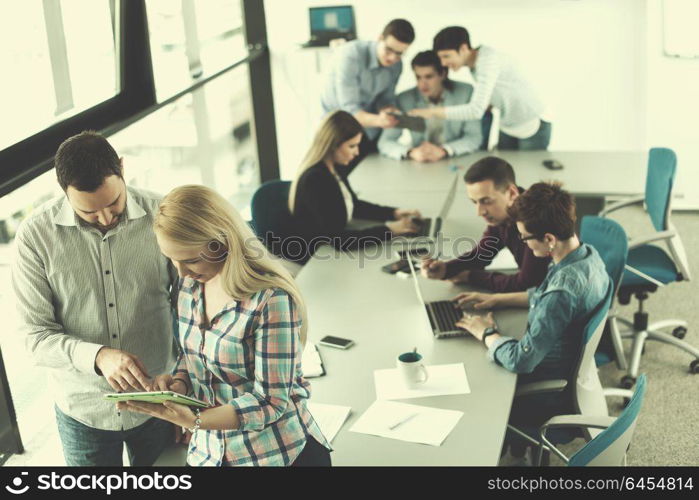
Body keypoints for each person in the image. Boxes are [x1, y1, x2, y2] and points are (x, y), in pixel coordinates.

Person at [117, 185, 332, 467]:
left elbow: (270, 402)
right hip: (209, 454)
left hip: (274, 454)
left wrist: (196, 419)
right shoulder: (189, 285)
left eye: (191, 260)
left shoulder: (270, 300)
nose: (180, 272)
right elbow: (192, 354)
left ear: (222, 242)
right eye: (172, 259)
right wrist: (178, 383)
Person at [11, 131, 178, 466]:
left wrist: (192, 389)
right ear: (63, 191)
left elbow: (192, 305)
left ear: (122, 168)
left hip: (162, 398)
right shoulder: (34, 237)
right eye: (89, 212)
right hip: (84, 410)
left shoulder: (164, 214)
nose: (105, 218)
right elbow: (34, 336)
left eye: (114, 203)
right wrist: (98, 356)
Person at [455, 182, 610, 459]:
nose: (524, 243)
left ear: (549, 239)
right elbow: (542, 294)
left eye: (525, 238)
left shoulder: (562, 291)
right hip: (571, 370)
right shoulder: (586, 256)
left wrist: (486, 332)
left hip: (545, 391)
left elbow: (521, 359)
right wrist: (497, 300)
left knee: (469, 393)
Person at [287, 110, 421, 263]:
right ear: (332, 146)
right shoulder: (315, 179)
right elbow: (340, 241)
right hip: (316, 259)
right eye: (352, 146)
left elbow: (353, 205)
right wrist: (389, 230)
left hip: (331, 251)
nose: (357, 152)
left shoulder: (334, 168)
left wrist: (394, 213)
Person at [409, 26, 551, 151]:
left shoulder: (487, 61)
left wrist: (433, 112)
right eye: (440, 58)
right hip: (508, 124)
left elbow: (476, 111)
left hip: (531, 124)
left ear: (464, 49)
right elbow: (500, 87)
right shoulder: (475, 63)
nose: (443, 63)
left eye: (447, 56)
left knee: (529, 174)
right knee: (506, 173)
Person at [421, 156, 549, 292]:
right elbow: (482, 254)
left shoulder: (536, 222)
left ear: (512, 193)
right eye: (474, 202)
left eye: (486, 201)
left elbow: (527, 284)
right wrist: (446, 269)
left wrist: (470, 277)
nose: (480, 212)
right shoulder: (504, 215)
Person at [320, 19, 415, 171]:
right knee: (338, 179)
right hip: (336, 131)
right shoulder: (351, 55)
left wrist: (389, 111)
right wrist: (380, 120)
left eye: (399, 54)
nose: (392, 58)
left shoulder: (397, 65)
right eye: (389, 50)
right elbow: (349, 110)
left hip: (368, 130)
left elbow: (385, 99)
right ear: (379, 38)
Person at [378, 50, 482, 161]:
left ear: (443, 74)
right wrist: (410, 152)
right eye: (418, 77)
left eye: (429, 77)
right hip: (421, 162)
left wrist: (445, 151)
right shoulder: (405, 99)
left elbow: (474, 137)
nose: (422, 84)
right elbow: (385, 142)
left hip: (455, 159)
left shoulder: (465, 92)